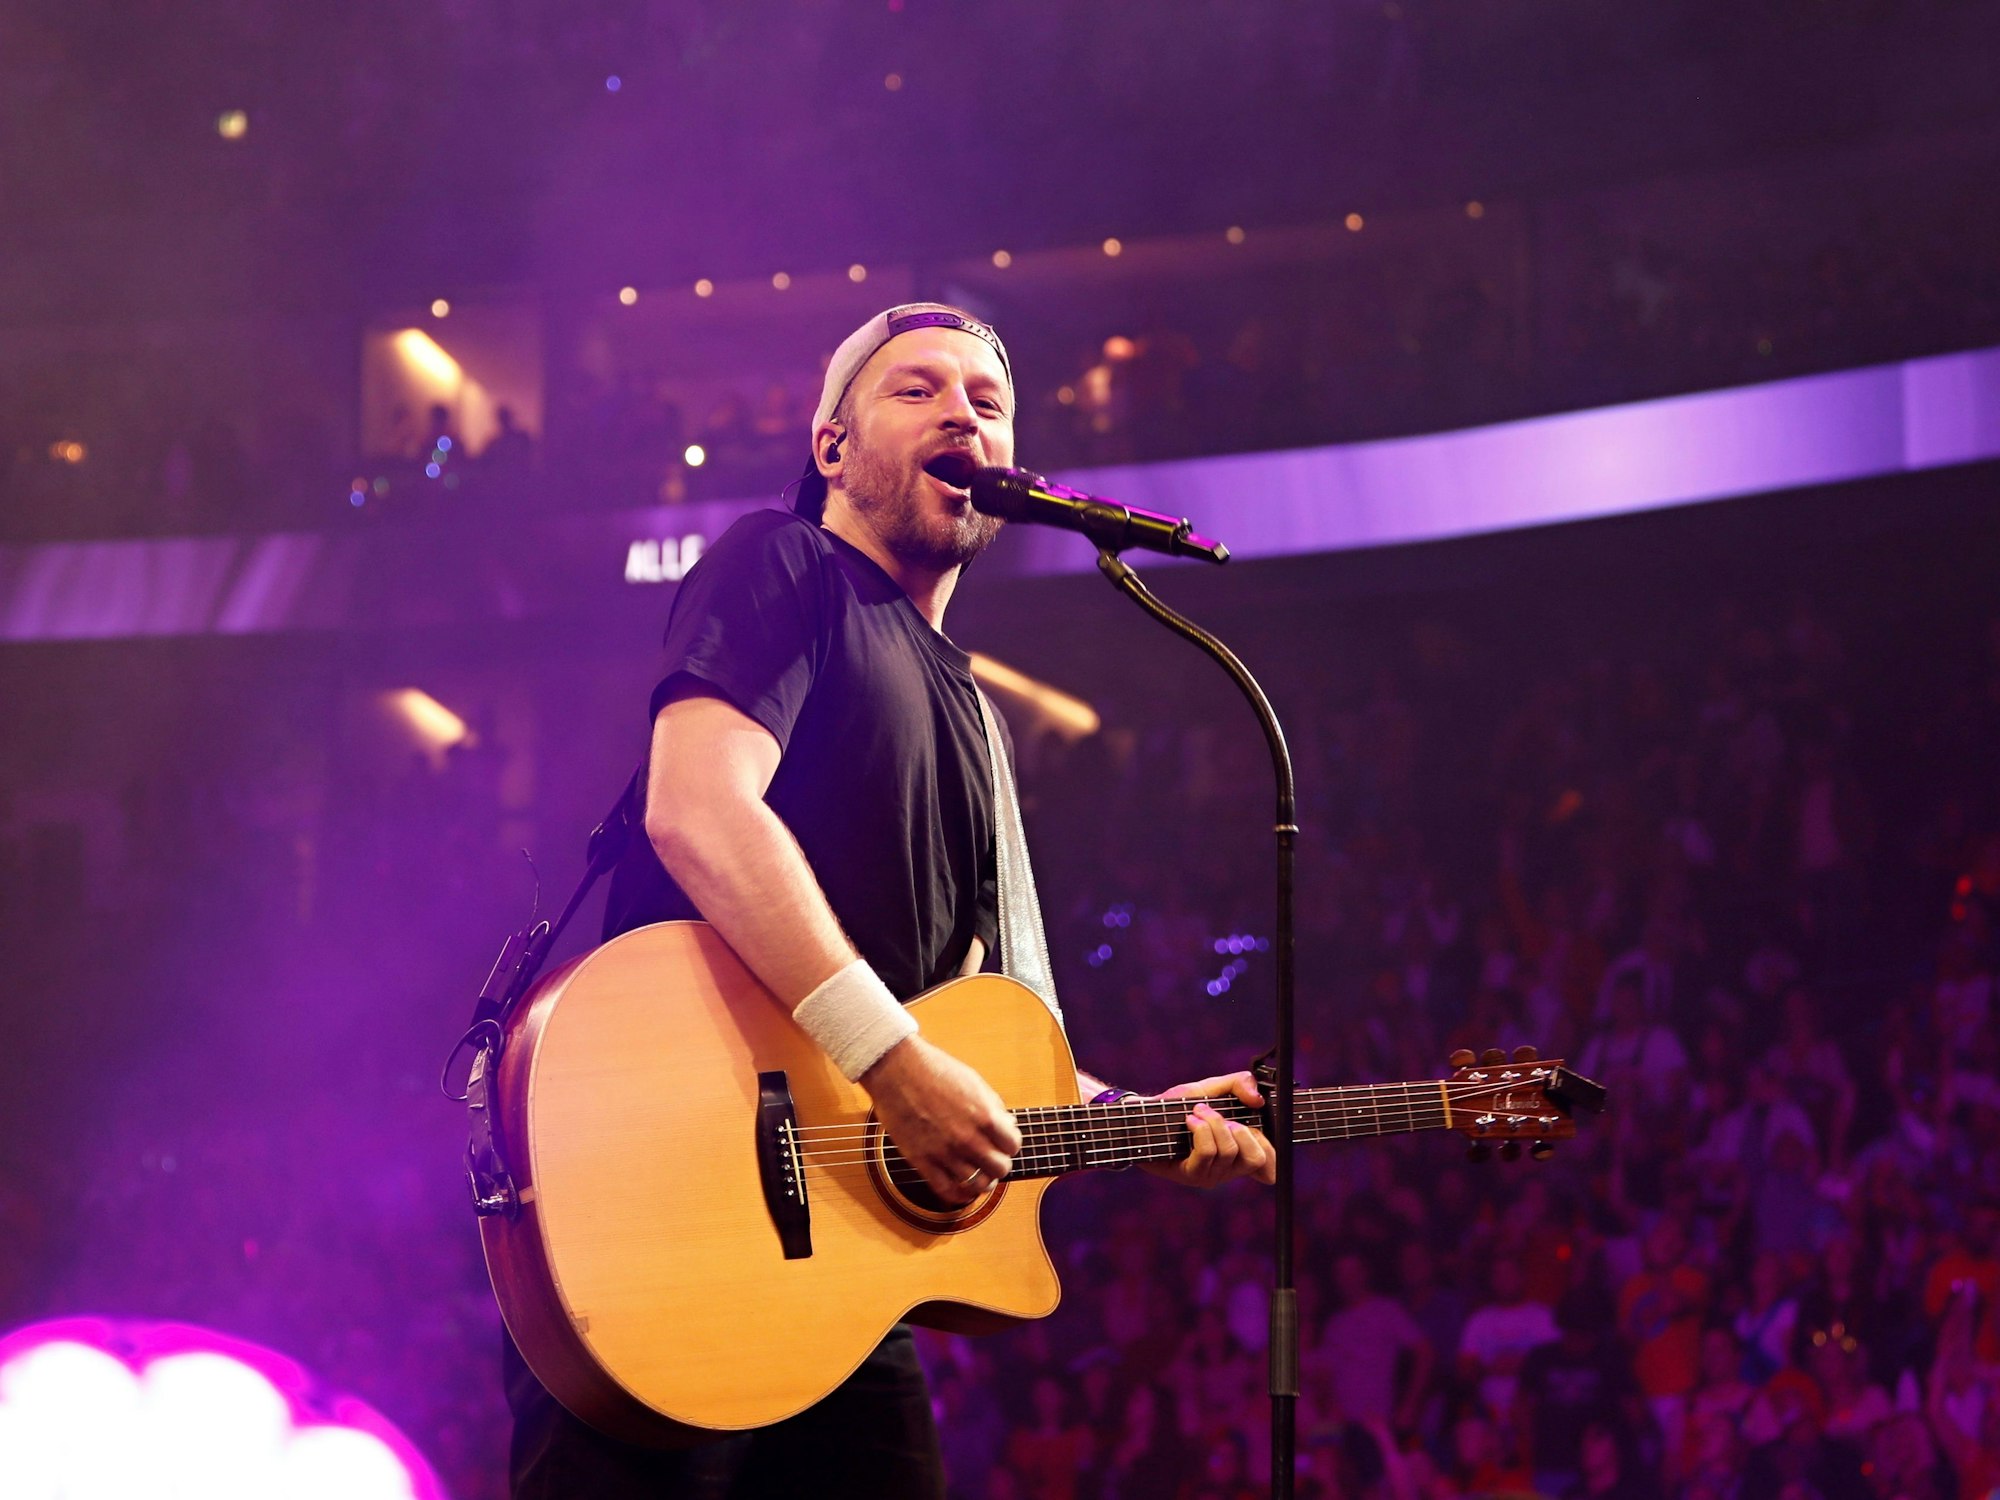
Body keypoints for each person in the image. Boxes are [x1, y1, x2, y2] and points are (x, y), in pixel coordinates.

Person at [502, 303, 1277, 1499]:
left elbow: (963, 1024)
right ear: (830, 447)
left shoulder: (971, 709)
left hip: (839, 1275)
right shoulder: (785, 564)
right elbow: (697, 810)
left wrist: (1134, 1116)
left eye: (987, 397)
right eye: (916, 389)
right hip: (667, 1208)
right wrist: (895, 1065)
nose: (962, 409)